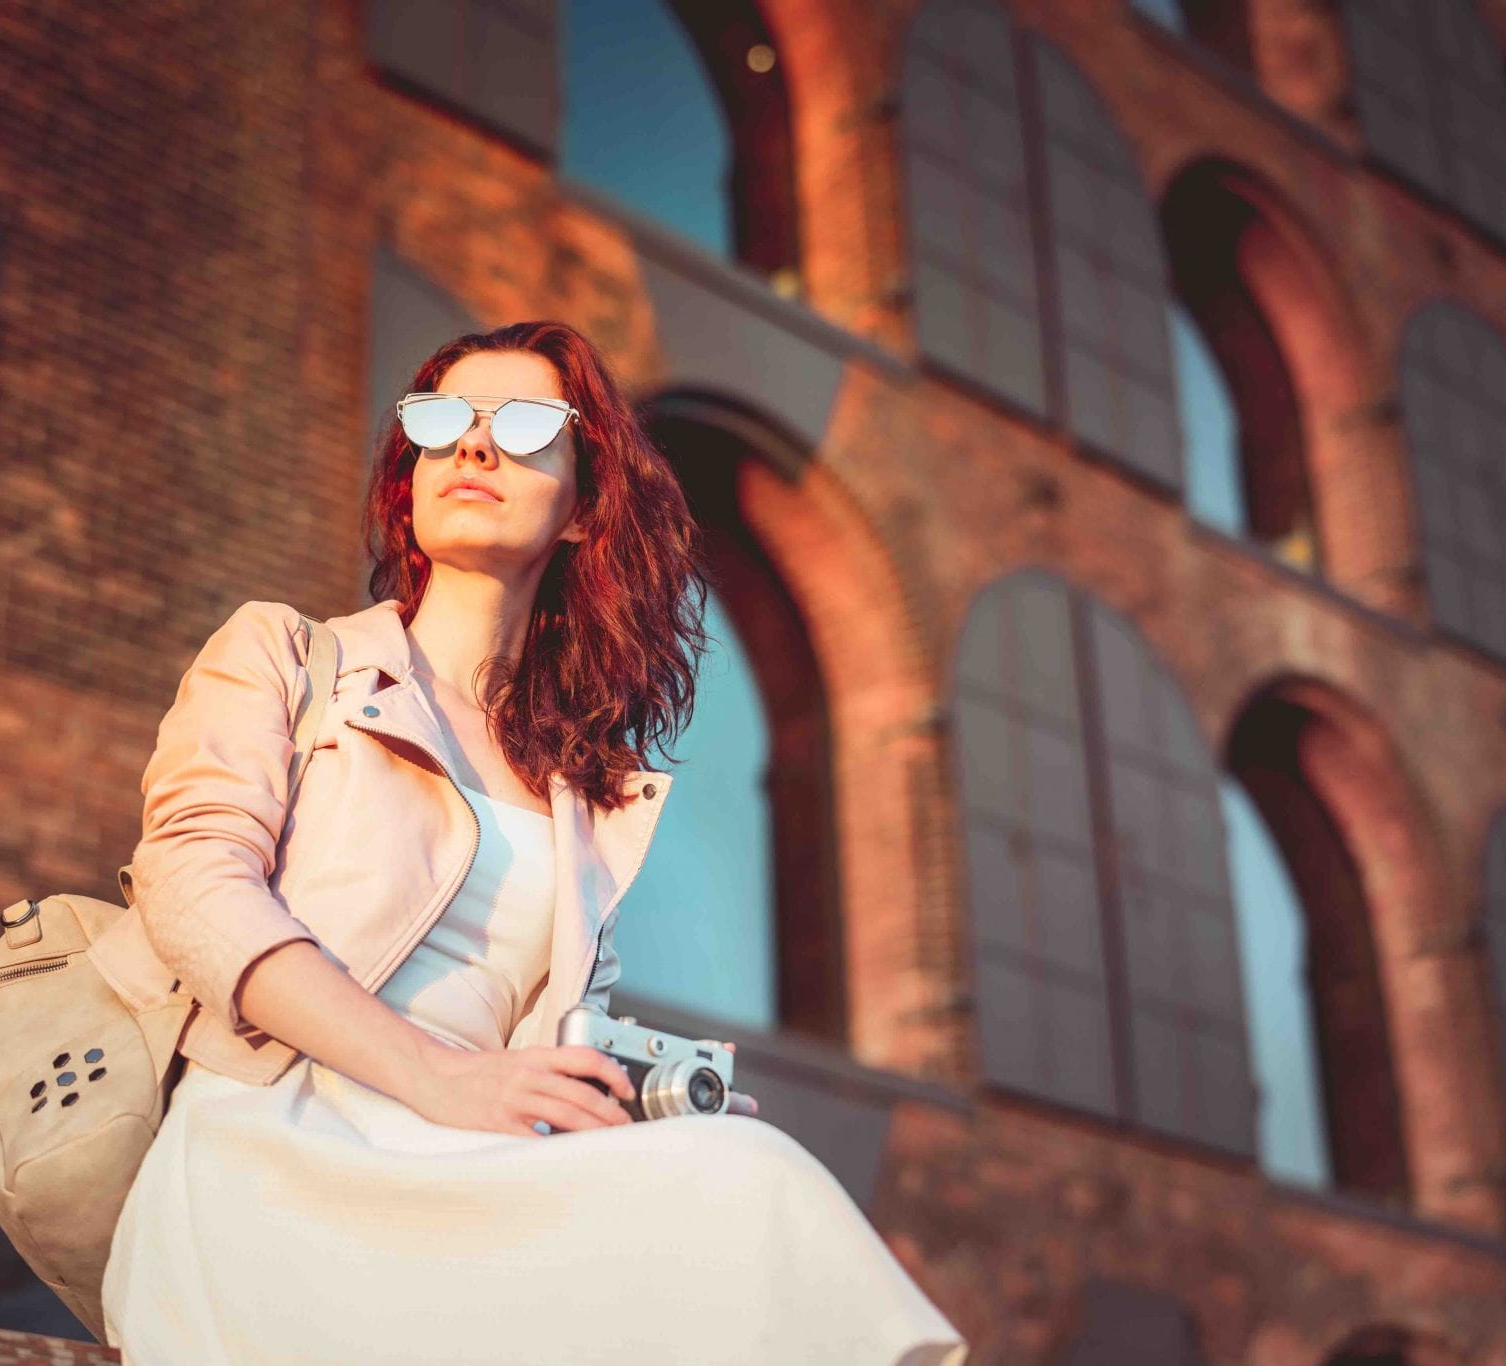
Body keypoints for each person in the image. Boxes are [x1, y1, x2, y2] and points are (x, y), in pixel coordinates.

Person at [101, 319, 970, 1364]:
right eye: (441, 422)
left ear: (583, 506)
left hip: (478, 1172)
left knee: (740, 1181)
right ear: (410, 480)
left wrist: (636, 1104)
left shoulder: (581, 792)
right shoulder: (287, 658)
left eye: (521, 427)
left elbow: (540, 1054)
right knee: (753, 1189)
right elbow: (190, 886)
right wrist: (436, 1075)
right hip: (278, 1148)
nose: (473, 445)